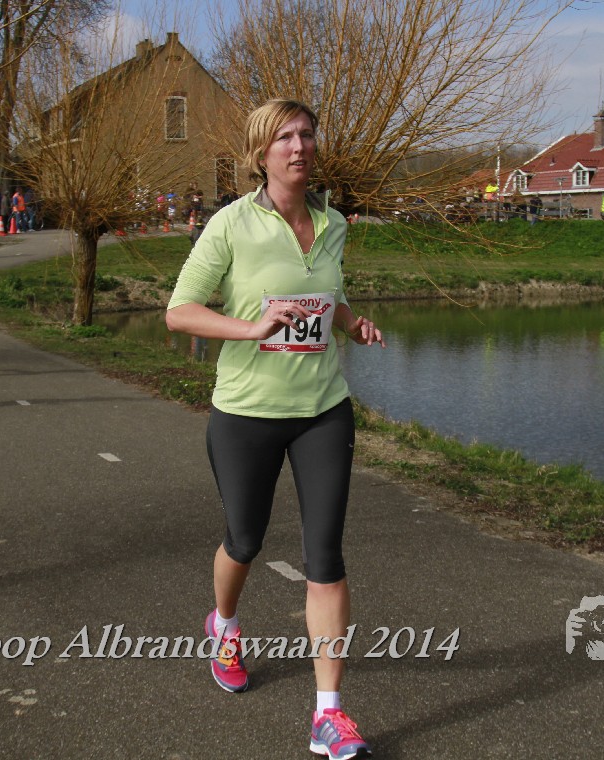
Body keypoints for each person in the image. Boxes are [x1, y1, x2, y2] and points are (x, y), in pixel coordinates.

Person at [165, 98, 384, 760]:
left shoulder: (333, 223)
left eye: (307, 134)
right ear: (261, 152)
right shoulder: (231, 224)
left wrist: (352, 324)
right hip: (246, 412)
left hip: (322, 409)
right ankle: (225, 625)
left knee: (326, 558)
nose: (299, 146)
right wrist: (251, 327)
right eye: (284, 136)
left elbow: (326, 296)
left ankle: (328, 714)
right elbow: (180, 311)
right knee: (245, 540)